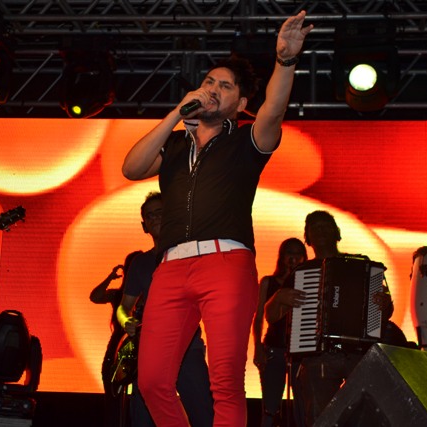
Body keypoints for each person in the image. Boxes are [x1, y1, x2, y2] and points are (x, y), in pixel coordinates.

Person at [121, 11, 313, 425]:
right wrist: (176, 114)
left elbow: (273, 112)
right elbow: (131, 168)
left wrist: (285, 60)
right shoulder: (175, 146)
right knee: (151, 381)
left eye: (225, 86)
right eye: (209, 81)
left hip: (226, 262)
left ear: (240, 105)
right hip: (171, 267)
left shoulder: (246, 141)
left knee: (225, 380)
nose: (212, 89)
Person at [264, 210, 394, 426]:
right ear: (307, 238)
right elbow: (270, 316)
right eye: (314, 228)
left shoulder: (361, 265)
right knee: (321, 418)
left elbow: (385, 313)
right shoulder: (301, 273)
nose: (320, 231)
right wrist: (279, 297)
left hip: (358, 354)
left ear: (337, 233)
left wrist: (384, 304)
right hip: (318, 355)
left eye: (326, 226)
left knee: (368, 417)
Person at [116, 191, 214, 427]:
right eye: (150, 216)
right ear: (144, 226)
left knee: (204, 417)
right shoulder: (140, 263)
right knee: (144, 419)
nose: (155, 218)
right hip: (149, 350)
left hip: (187, 349)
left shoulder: (192, 256)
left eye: (160, 212)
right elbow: (123, 308)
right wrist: (126, 321)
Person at [252, 238, 307, 427]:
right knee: (270, 406)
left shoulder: (308, 284)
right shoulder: (268, 282)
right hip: (274, 349)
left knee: (302, 406)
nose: (294, 258)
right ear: (282, 256)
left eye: (298, 254)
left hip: (300, 352)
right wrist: (257, 347)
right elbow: (259, 317)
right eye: (289, 253)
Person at [90, 250, 142, 427]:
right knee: (113, 393)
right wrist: (110, 278)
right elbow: (95, 297)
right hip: (119, 347)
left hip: (140, 347)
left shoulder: (148, 294)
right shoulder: (119, 295)